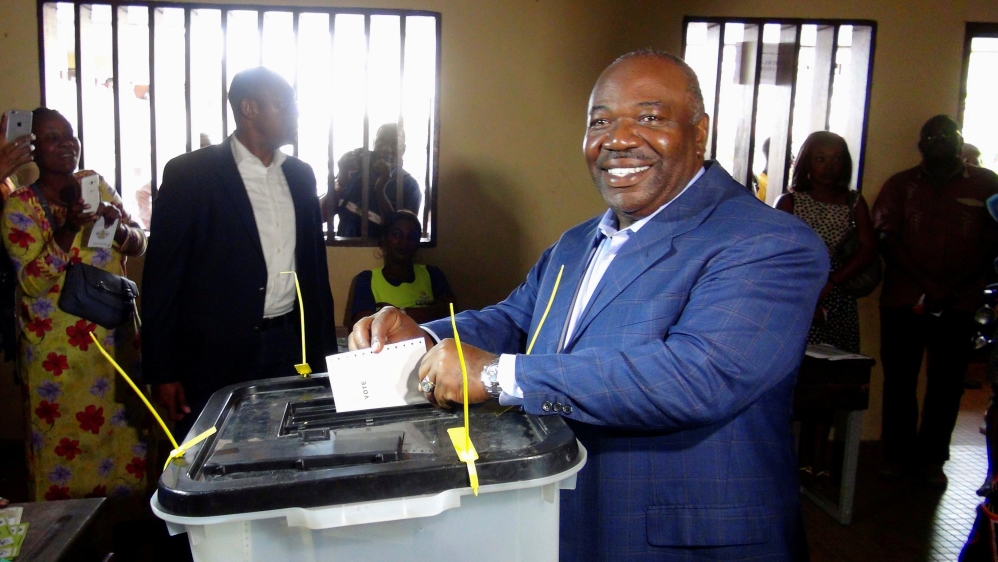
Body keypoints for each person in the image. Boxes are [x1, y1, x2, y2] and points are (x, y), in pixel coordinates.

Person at [350, 50, 828, 560]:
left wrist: (496, 375)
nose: (618, 139)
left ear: (699, 132)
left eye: (650, 117)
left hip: (684, 539)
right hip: (571, 519)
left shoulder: (767, 242)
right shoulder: (577, 243)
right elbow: (517, 319)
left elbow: (696, 377)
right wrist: (425, 338)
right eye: (600, 121)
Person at [142, 66, 337, 440]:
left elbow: (315, 271)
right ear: (249, 108)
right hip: (213, 355)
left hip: (289, 347)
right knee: (212, 452)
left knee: (287, 448)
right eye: (285, 104)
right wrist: (163, 371)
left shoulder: (300, 176)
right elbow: (163, 279)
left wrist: (325, 356)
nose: (295, 113)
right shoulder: (191, 175)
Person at [1, 108, 150, 502]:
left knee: (123, 442)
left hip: (114, 342)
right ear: (32, 148)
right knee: (61, 451)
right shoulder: (19, 206)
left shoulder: (94, 184)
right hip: (57, 357)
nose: (66, 144)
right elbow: (33, 282)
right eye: (53, 138)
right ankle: (66, 531)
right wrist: (70, 227)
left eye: (70, 135)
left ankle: (122, 523)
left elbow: (138, 243)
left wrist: (116, 228)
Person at [873, 115, 998, 487]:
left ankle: (932, 459)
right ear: (920, 143)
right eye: (930, 135)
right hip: (904, 298)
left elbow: (993, 241)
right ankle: (897, 455)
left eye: (947, 134)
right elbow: (886, 238)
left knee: (947, 384)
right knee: (899, 381)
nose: (938, 140)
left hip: (961, 302)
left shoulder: (987, 184)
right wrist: (928, 284)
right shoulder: (900, 185)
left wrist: (952, 286)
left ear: (960, 141)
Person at [776, 131, 876, 481]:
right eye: (821, 158)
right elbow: (778, 253)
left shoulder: (854, 202)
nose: (829, 166)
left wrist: (831, 283)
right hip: (798, 300)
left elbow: (867, 248)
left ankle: (817, 460)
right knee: (798, 383)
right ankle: (789, 459)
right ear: (806, 162)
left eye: (836, 159)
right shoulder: (791, 201)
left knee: (833, 384)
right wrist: (810, 292)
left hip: (839, 299)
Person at [349, 210, 454, 328]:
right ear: (384, 240)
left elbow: (450, 311)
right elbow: (364, 325)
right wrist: (430, 311)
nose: (404, 242)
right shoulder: (367, 279)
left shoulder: (432, 274)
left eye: (412, 236)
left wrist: (396, 313)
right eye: (397, 234)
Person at [333, 123, 422, 238]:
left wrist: (380, 190)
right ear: (373, 144)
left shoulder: (409, 186)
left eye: (394, 144)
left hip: (379, 250)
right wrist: (342, 176)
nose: (386, 149)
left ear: (403, 150)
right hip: (344, 248)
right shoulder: (356, 172)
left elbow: (402, 237)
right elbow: (322, 216)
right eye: (381, 142)